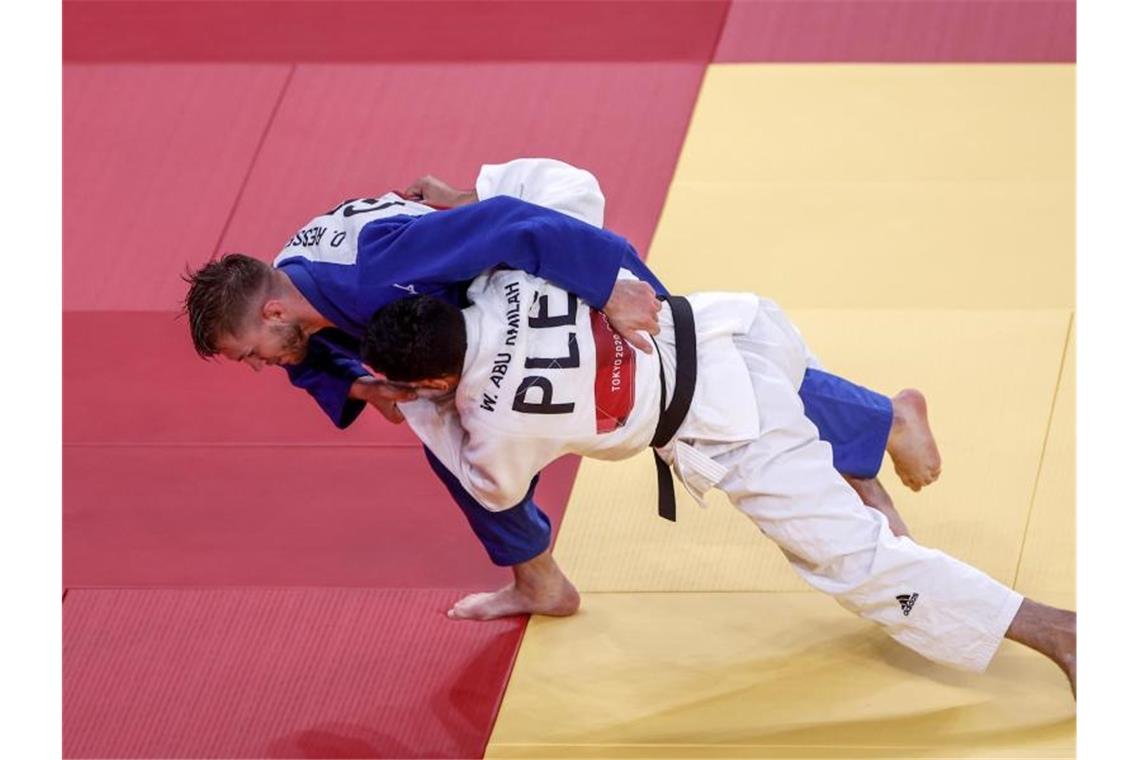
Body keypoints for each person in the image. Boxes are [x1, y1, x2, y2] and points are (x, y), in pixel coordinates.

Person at [181, 158, 937, 620]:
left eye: (253, 352)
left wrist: (606, 289)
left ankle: (880, 424)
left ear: (273, 309)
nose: (262, 365)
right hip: (480, 312)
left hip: (558, 276)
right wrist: (359, 387)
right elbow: (320, 345)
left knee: (708, 386)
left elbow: (510, 223)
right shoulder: (292, 276)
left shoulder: (372, 274)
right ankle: (539, 581)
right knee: (463, 454)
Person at [361, 270, 1077, 694]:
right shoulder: (500, 280)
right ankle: (867, 449)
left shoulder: (493, 421)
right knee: (804, 425)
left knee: (857, 567)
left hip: (735, 424)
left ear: (431, 377)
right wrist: (463, 199)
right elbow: (557, 190)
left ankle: (1059, 633)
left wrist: (412, 406)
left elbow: (491, 489)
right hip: (733, 322)